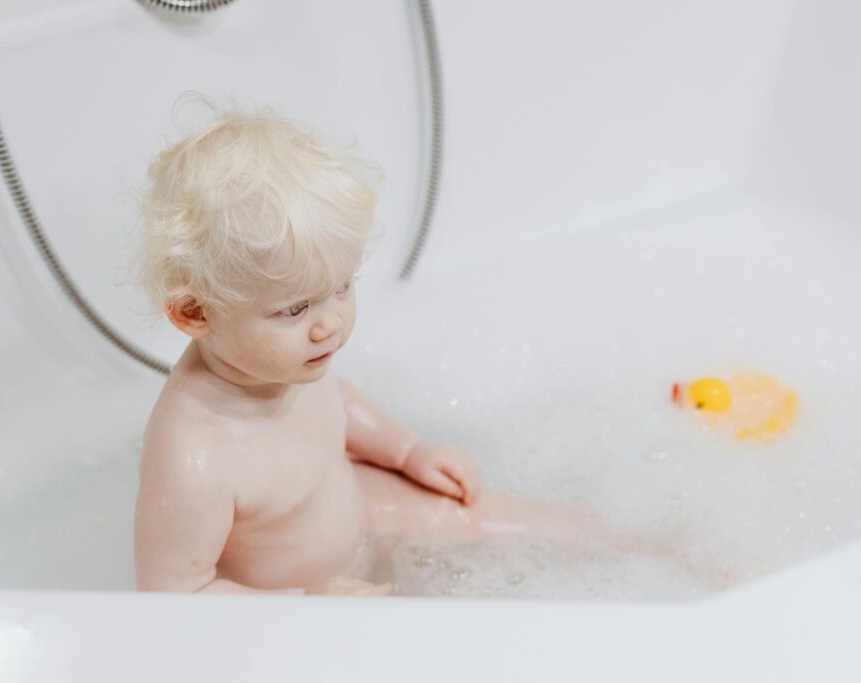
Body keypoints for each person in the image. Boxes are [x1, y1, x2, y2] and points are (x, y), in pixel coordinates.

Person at [131, 93, 616, 597]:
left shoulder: (284, 363)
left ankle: (644, 552)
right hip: (288, 611)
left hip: (356, 513)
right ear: (196, 312)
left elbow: (338, 401)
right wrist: (303, 605)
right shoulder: (195, 458)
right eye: (294, 309)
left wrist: (407, 451)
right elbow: (174, 597)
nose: (329, 326)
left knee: (499, 521)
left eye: (342, 287)